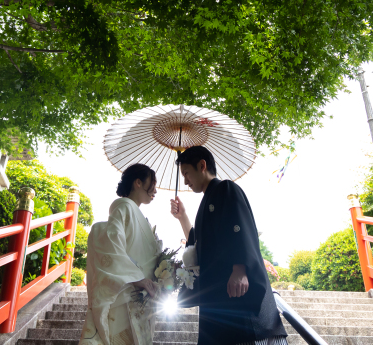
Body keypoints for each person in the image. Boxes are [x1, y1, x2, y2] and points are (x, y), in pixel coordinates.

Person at [170, 146, 287, 345]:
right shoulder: (207, 201)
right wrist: (182, 217)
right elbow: (198, 245)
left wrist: (240, 268)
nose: (186, 181)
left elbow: (240, 226)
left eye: (187, 173)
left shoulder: (225, 188)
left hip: (239, 295)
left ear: (202, 165)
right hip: (220, 297)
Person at [81, 164, 162, 345]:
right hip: (128, 292)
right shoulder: (124, 206)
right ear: (138, 183)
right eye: (152, 184)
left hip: (142, 296)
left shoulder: (138, 215)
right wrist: (138, 279)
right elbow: (112, 245)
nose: (155, 190)